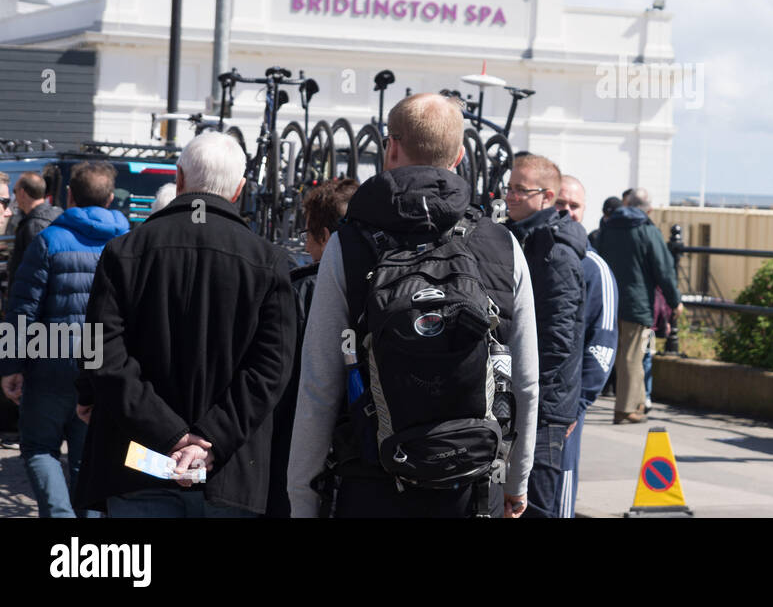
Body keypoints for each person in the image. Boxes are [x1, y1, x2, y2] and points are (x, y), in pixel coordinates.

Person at [288, 93, 539, 518]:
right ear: (459, 155)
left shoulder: (348, 245)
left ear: (391, 147)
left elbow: (319, 386)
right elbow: (527, 382)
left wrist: (301, 497)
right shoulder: (503, 244)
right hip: (473, 486)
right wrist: (518, 480)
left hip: (372, 483)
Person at [73, 133, 297, 517]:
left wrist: (172, 437)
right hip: (230, 473)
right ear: (240, 190)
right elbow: (272, 369)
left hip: (136, 464)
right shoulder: (269, 262)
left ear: (179, 179)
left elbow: (102, 355)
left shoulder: (124, 252)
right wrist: (208, 439)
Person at [0, 162, 128, 518]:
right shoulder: (126, 244)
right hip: (102, 365)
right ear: (110, 199)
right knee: (87, 460)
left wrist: (11, 365)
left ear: (69, 195)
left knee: (40, 449)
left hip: (50, 363)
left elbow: (22, 308)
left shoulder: (48, 241)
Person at [265, 177, 357, 518]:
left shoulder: (298, 291)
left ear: (325, 237)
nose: (306, 243)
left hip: (301, 454)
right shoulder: (386, 282)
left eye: (308, 234)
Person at [503, 156, 586, 518]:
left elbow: (558, 342)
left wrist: (544, 410)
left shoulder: (556, 253)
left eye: (520, 190)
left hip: (543, 409)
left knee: (535, 506)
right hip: (519, 399)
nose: (510, 197)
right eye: (509, 188)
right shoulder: (517, 238)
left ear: (547, 196)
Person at [554, 174, 617, 517]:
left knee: (558, 488)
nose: (567, 212)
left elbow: (602, 347)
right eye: (560, 204)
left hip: (564, 409)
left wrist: (576, 406)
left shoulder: (596, 270)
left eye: (574, 206)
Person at [598, 187, 681, 424]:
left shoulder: (609, 226)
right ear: (649, 209)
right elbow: (664, 270)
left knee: (616, 353)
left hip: (609, 299)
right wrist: (675, 301)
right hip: (637, 303)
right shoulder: (647, 230)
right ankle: (626, 408)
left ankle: (634, 404)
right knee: (633, 356)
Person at [6, 171, 63, 292]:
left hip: (29, 299)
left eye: (14, 191)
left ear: (22, 193)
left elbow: (34, 272)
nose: (14, 197)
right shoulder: (54, 216)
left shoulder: (35, 225)